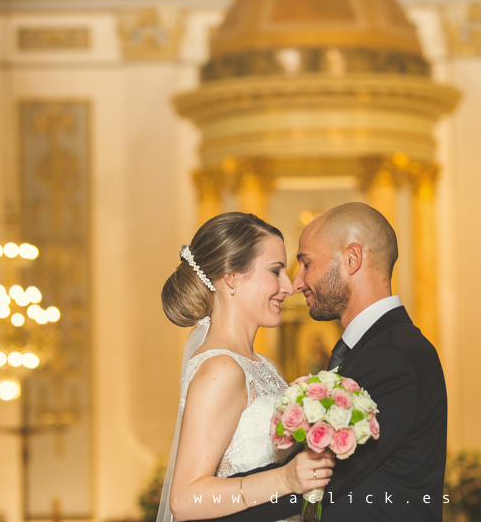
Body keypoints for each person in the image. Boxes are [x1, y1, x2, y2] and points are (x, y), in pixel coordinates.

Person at [202, 202, 448, 522]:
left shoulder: (393, 357)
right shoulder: (373, 348)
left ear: (351, 259)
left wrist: (205, 506)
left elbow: (325, 478)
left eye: (306, 264)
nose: (297, 282)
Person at [157, 212, 335, 522]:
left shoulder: (264, 364)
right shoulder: (221, 369)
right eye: (275, 270)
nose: (289, 286)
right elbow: (186, 499)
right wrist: (286, 480)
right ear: (231, 277)